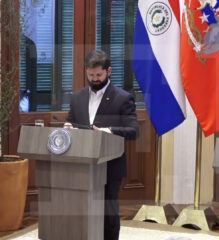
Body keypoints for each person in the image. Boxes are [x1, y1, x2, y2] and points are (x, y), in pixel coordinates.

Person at [65, 49, 140, 240]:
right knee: (80, 209)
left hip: (110, 166)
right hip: (82, 165)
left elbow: (134, 131)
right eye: (91, 75)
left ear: (109, 71)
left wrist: (107, 131)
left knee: (108, 211)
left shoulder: (123, 98)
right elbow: (72, 123)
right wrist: (69, 128)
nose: (95, 79)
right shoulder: (77, 98)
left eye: (98, 75)